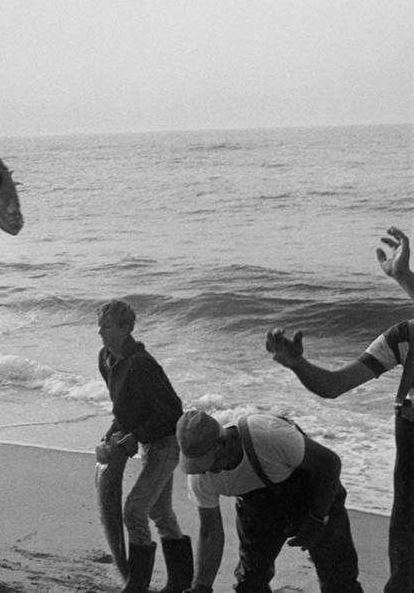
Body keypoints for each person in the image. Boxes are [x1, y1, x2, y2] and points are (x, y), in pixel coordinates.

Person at [266, 225, 414, 592]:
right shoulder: (403, 337)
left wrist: (404, 277)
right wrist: (299, 365)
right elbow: (332, 386)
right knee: (406, 570)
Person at [175, 409, 363, 593]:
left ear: (221, 443)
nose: (205, 471)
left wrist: (317, 518)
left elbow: (329, 463)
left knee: (339, 579)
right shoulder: (200, 477)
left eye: (208, 463)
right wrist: (201, 587)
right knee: (250, 583)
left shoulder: (268, 435)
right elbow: (210, 532)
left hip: (313, 491)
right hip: (258, 506)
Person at [97, 299, 193, 593]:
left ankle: (136, 585)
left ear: (127, 328)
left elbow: (172, 413)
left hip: (165, 442)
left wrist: (136, 436)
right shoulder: (105, 357)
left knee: (135, 510)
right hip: (147, 442)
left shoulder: (142, 364)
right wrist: (111, 435)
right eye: (99, 325)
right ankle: (179, 584)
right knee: (161, 513)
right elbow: (123, 407)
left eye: (108, 326)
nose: (100, 332)